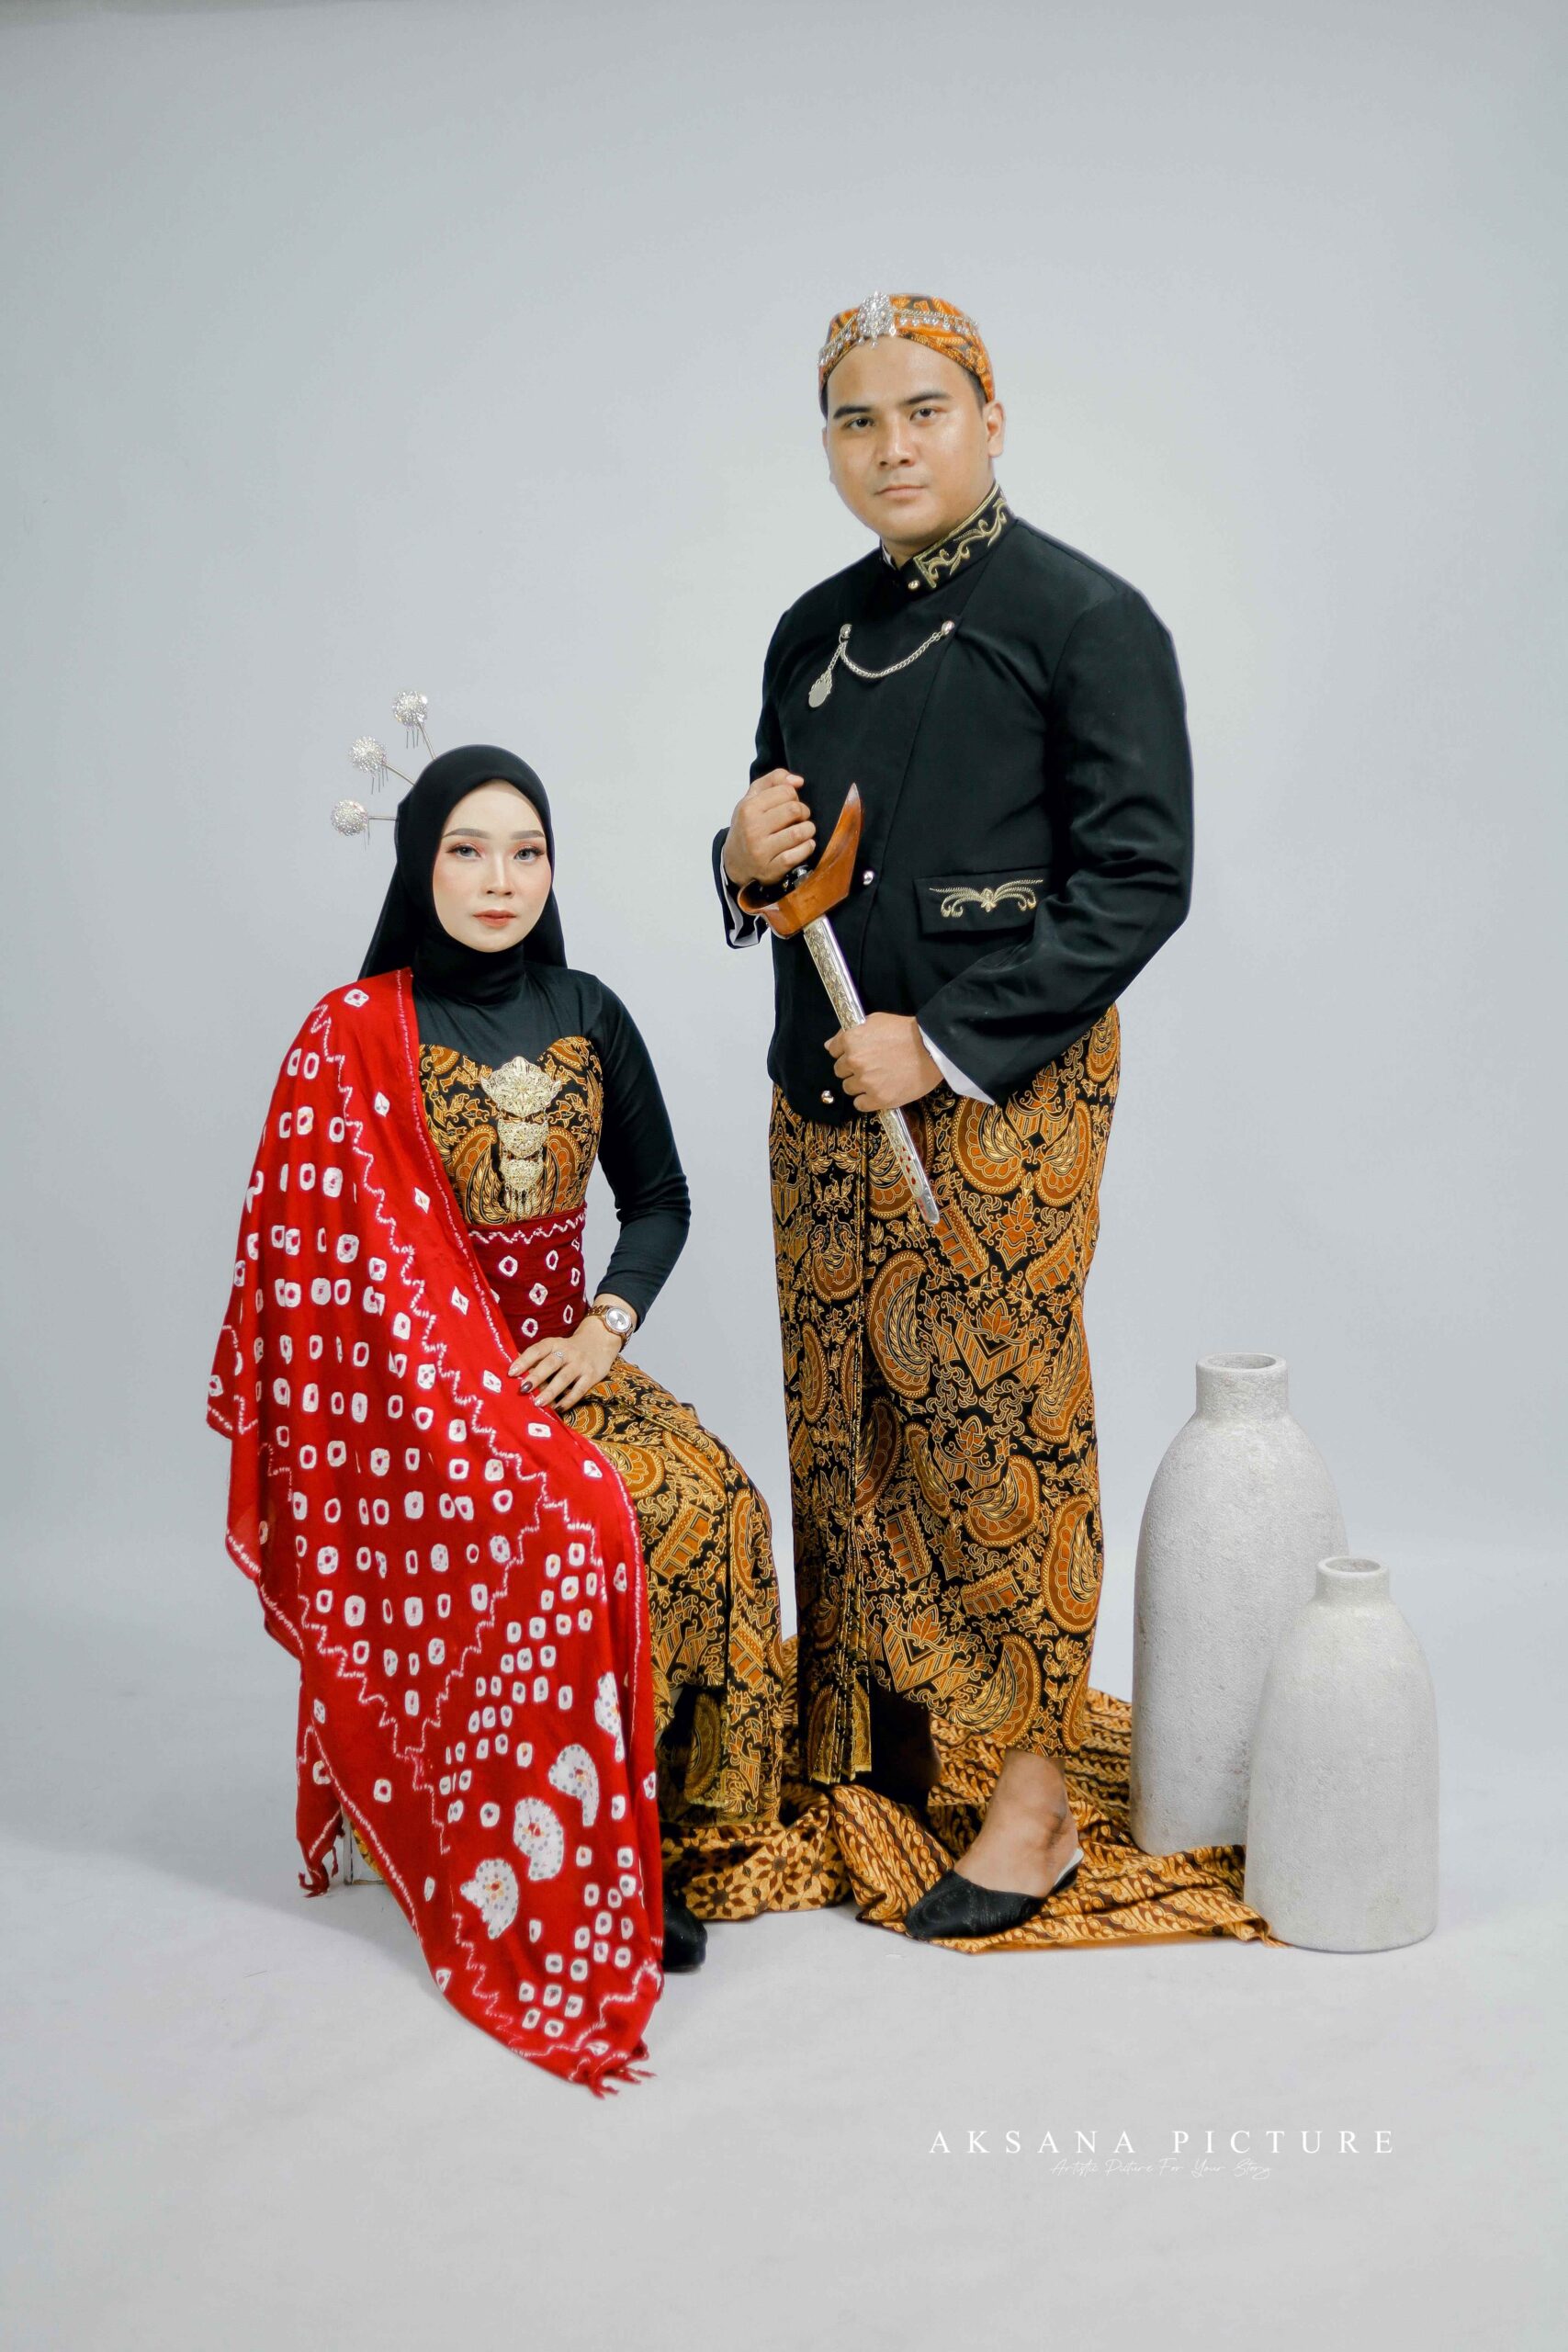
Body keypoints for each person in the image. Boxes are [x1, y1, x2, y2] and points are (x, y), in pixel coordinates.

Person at [714, 292, 1194, 1943]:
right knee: (843, 1422)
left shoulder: (1087, 618)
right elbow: (785, 869)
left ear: (991, 416)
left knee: (994, 1429)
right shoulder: (809, 632)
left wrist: (951, 1044)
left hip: (1002, 1106)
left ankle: (1034, 1800)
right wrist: (735, 861)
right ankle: (886, 1749)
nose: (892, 445)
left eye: (925, 409)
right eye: (856, 419)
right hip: (823, 1101)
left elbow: (1140, 878)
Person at [211, 744, 791, 2087]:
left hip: (562, 1365)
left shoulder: (590, 1012)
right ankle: (554, 1847)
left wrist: (603, 1329)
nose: (499, 878)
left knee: (715, 1505)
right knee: (585, 1523)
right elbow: (309, 1273)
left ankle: (663, 1840)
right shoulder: (353, 1035)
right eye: (467, 849)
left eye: (527, 851)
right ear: (420, 863)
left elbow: (661, 1200)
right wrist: (452, 1379)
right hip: (417, 1399)